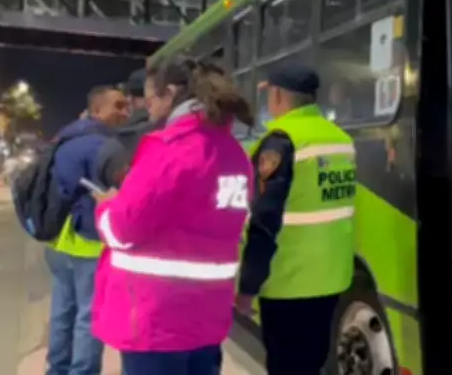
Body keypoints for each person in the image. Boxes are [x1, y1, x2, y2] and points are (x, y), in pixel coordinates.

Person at [91, 57, 254, 375]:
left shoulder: (170, 150)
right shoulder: (235, 153)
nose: (148, 108)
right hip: (208, 317)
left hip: (158, 320)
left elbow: (123, 228)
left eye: (151, 98)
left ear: (170, 94)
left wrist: (106, 207)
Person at [235, 64, 357, 375]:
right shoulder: (340, 138)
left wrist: (248, 286)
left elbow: (264, 221)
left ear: (277, 95)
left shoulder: (282, 141)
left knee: (286, 365)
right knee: (312, 362)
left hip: (290, 282)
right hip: (332, 277)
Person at [46, 85, 129, 375]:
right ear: (97, 110)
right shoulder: (106, 146)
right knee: (90, 317)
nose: (125, 113)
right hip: (91, 242)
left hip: (59, 240)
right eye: (117, 106)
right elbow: (126, 192)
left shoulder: (64, 139)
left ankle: (57, 369)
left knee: (62, 312)